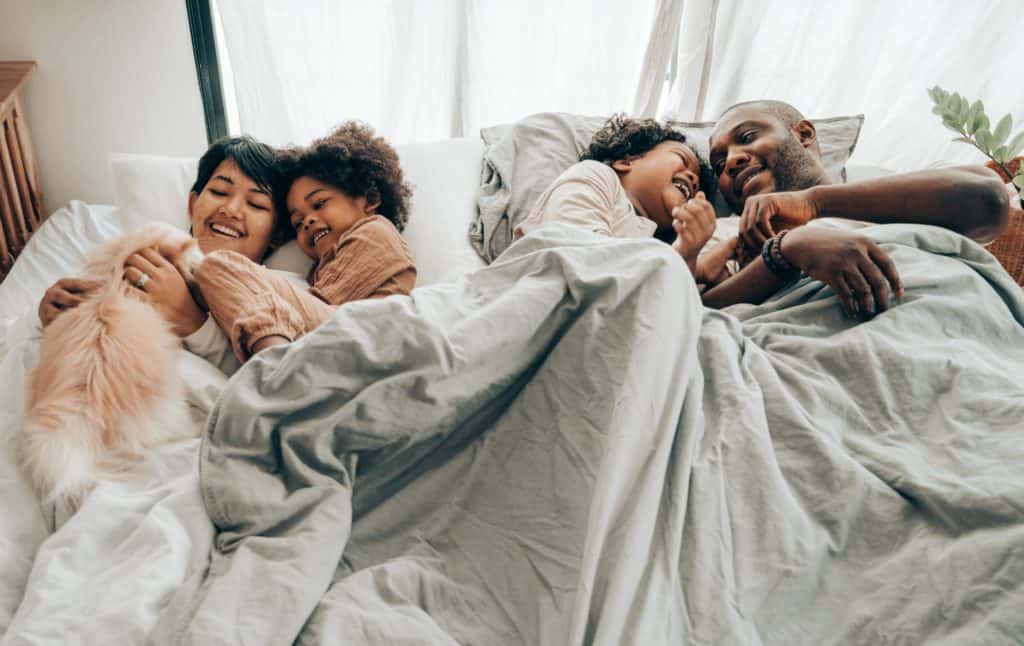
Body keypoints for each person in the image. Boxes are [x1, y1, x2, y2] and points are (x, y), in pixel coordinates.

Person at [700, 100, 1010, 317]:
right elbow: (693, 314)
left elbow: (989, 200)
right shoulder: (718, 234)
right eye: (718, 164)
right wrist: (784, 253)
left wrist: (813, 203)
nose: (730, 161)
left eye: (748, 137)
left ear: (803, 134)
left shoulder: (904, 186)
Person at [39, 136, 297, 375]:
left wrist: (192, 322)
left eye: (256, 204)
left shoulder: (286, 293)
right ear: (193, 204)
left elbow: (269, 384)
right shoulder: (141, 249)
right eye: (219, 192)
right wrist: (50, 315)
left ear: (276, 235)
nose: (230, 209)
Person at [192, 121, 416, 361]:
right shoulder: (321, 267)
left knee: (220, 265)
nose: (308, 221)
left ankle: (279, 368)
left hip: (358, 340)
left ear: (369, 199)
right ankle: (279, 368)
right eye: (298, 223)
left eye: (319, 204)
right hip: (339, 344)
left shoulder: (375, 233)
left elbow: (318, 312)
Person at [514, 115, 726, 283]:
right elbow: (578, 258)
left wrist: (690, 258)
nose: (693, 178)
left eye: (698, 183)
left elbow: (656, 304)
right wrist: (682, 258)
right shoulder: (595, 176)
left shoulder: (652, 243)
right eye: (681, 158)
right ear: (626, 161)